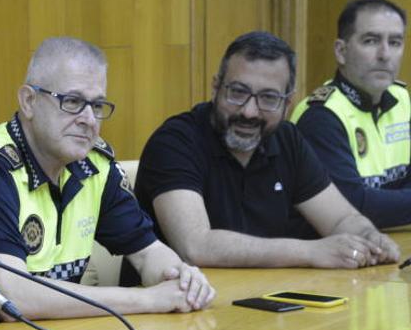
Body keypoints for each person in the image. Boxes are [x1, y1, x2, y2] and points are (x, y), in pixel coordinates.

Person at [0, 37, 216, 324]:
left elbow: (148, 253)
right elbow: (14, 299)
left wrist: (180, 278)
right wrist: (148, 299)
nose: (89, 119)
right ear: (29, 101)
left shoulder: (94, 167)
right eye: (73, 102)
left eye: (97, 105)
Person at [133, 31, 400, 269]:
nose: (249, 111)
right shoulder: (175, 141)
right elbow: (195, 246)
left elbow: (341, 218)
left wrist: (370, 238)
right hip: (175, 311)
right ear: (215, 88)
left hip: (263, 301)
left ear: (287, 104)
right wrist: (310, 251)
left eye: (268, 98)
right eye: (237, 93)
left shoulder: (287, 140)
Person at [291, 0, 411, 229]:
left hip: (393, 239)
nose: (385, 54)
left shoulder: (402, 99)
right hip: (334, 252)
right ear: (341, 51)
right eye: (370, 41)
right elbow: (352, 204)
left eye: (395, 42)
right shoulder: (321, 116)